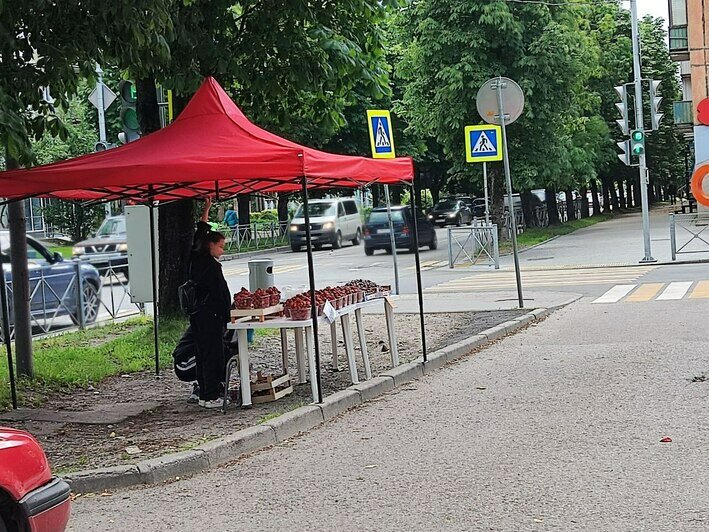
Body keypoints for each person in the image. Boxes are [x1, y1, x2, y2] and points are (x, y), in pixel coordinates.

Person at [188, 198, 232, 408]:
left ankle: (206, 394)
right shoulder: (207, 265)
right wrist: (227, 315)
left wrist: (206, 209)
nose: (223, 250)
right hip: (210, 315)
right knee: (211, 354)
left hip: (199, 314)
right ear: (211, 245)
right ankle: (210, 396)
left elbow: (201, 230)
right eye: (221, 246)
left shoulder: (196, 258)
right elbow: (220, 294)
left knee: (202, 353)